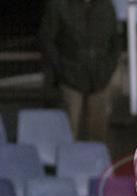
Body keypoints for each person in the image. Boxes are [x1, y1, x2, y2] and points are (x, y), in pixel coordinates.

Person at [39, 0, 121, 142]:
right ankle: (69, 162)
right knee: (68, 132)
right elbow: (47, 40)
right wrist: (62, 69)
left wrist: (108, 67)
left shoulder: (106, 6)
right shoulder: (59, 5)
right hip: (70, 76)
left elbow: (115, 41)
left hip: (100, 76)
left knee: (97, 135)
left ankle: (95, 164)